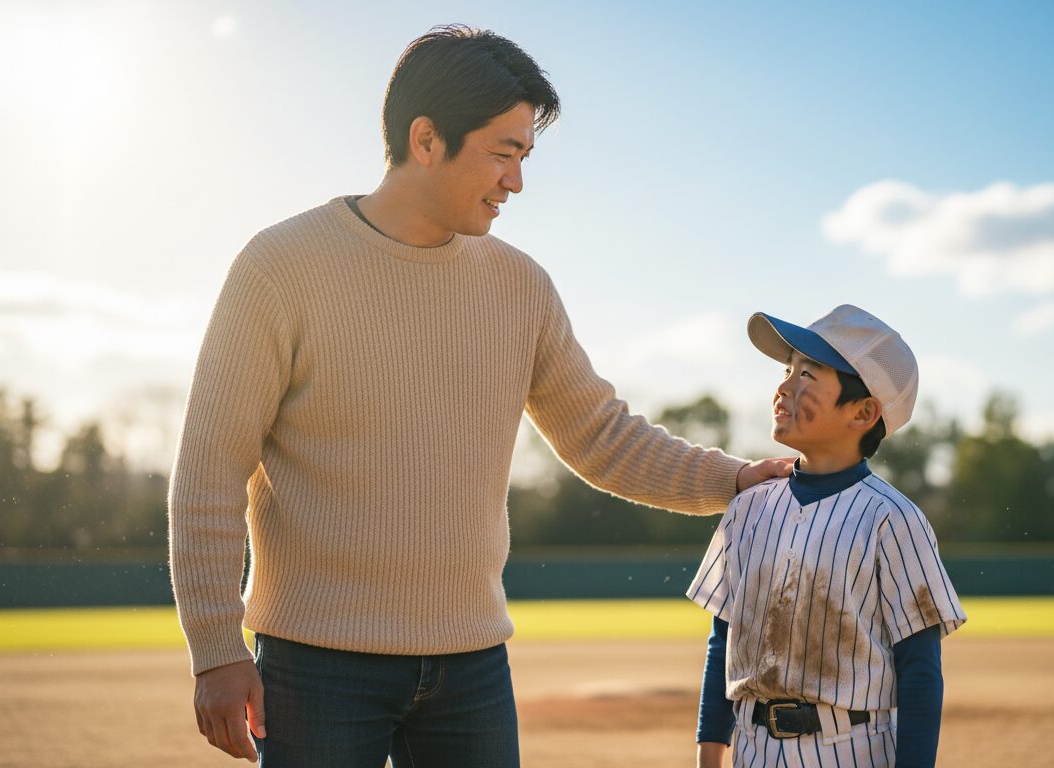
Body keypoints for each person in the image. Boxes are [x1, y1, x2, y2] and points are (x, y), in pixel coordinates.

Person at [168, 24, 788, 768]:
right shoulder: (281, 268)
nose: (516, 181)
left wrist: (733, 480)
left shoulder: (521, 285)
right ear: (426, 139)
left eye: (524, 156)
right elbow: (210, 470)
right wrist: (214, 647)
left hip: (472, 669)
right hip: (314, 669)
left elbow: (600, 434)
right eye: (502, 153)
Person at [686, 305, 967, 767]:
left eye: (809, 375)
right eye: (787, 370)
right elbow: (724, 641)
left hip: (851, 749)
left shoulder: (892, 519)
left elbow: (919, 671)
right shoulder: (748, 507)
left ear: (863, 412)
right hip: (752, 750)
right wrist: (710, 753)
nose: (784, 387)